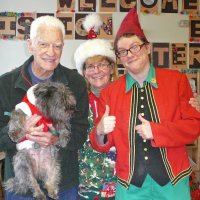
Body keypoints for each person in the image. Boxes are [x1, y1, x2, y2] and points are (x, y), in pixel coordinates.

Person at [89, 8, 200, 200]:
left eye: (135, 47)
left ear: (147, 48)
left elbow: (193, 126)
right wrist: (99, 131)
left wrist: (157, 132)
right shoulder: (110, 92)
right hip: (130, 186)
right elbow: (101, 144)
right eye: (122, 51)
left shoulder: (177, 81)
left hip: (173, 183)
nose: (129, 54)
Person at [0, 15, 88, 200]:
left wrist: (56, 139)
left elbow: (80, 134)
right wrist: (18, 131)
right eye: (43, 44)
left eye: (58, 46)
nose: (51, 52)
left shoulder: (75, 83)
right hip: (21, 186)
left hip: (62, 185)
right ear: (30, 44)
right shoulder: (5, 84)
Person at [74, 14, 118, 200]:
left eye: (102, 64)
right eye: (90, 66)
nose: (96, 70)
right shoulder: (76, 102)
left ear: (111, 68)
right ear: (83, 72)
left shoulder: (124, 97)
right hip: (86, 184)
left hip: (121, 183)